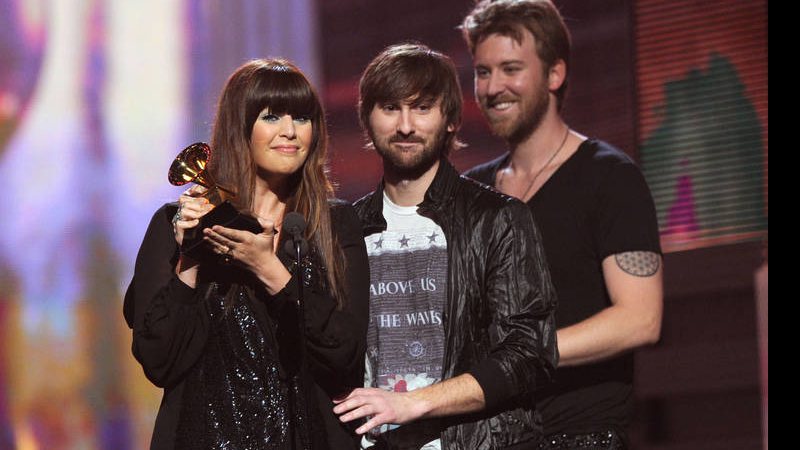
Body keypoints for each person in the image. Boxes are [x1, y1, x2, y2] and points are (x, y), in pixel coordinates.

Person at [123, 58, 370, 450]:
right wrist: (190, 258)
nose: (290, 132)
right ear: (240, 128)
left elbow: (344, 357)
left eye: (302, 118)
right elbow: (159, 360)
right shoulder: (176, 223)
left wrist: (269, 269)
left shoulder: (336, 224)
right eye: (271, 117)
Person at [332, 43, 558, 450]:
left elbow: (529, 354)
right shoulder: (344, 228)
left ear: (451, 119)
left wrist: (413, 403)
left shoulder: (497, 219)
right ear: (367, 119)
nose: (405, 125)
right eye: (389, 108)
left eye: (421, 108)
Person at [461, 1, 664, 448]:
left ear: (555, 74)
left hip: (580, 434)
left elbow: (640, 319)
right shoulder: (471, 192)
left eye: (510, 68)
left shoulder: (609, 176)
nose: (493, 87)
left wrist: (523, 352)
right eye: (482, 71)